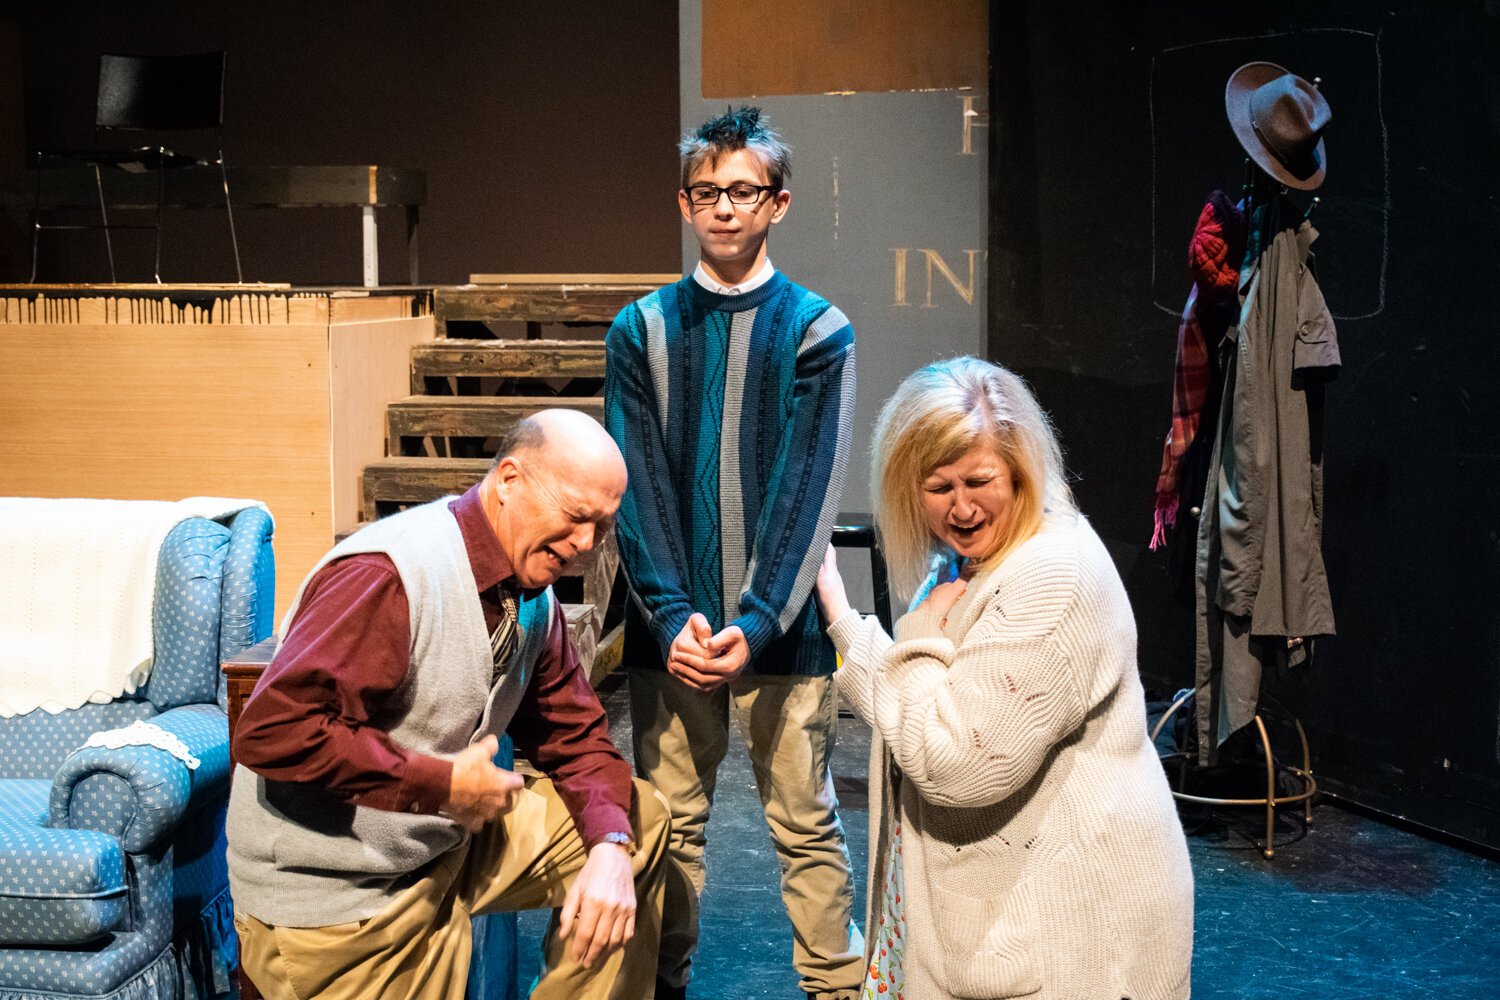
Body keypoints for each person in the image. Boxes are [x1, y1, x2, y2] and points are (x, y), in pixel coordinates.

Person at [226, 409, 670, 1000]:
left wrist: (611, 849)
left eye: (604, 526)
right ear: (509, 481)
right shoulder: (389, 575)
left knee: (637, 820)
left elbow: (579, 737)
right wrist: (438, 784)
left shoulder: (530, 591)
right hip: (339, 892)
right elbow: (272, 729)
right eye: (575, 516)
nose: (587, 545)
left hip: (442, 842)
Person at [814, 357, 1195, 1000]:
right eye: (939, 487)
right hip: (1016, 920)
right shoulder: (975, 562)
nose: (961, 508)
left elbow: (959, 763)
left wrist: (864, 629)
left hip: (1072, 946)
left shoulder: (1050, 576)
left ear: (1020, 471)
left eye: (979, 480)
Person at [603, 106, 863, 1000]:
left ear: (778, 203)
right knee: (666, 829)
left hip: (781, 636)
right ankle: (661, 987)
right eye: (707, 192)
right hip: (670, 634)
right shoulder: (638, 330)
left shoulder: (819, 332)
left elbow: (808, 489)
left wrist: (755, 621)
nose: (723, 208)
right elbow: (632, 482)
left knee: (806, 825)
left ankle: (836, 990)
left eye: (742, 191)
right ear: (684, 203)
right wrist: (674, 617)